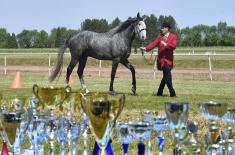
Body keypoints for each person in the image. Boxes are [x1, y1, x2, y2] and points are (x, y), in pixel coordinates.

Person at [140, 22, 177, 97]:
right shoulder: (160, 36)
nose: (161, 29)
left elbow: (173, 46)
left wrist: (165, 44)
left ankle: (159, 92)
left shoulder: (173, 37)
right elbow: (154, 43)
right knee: (168, 77)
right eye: (161, 28)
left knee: (165, 77)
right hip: (162, 61)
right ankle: (172, 93)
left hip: (169, 60)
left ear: (167, 28)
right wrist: (146, 48)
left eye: (163, 28)